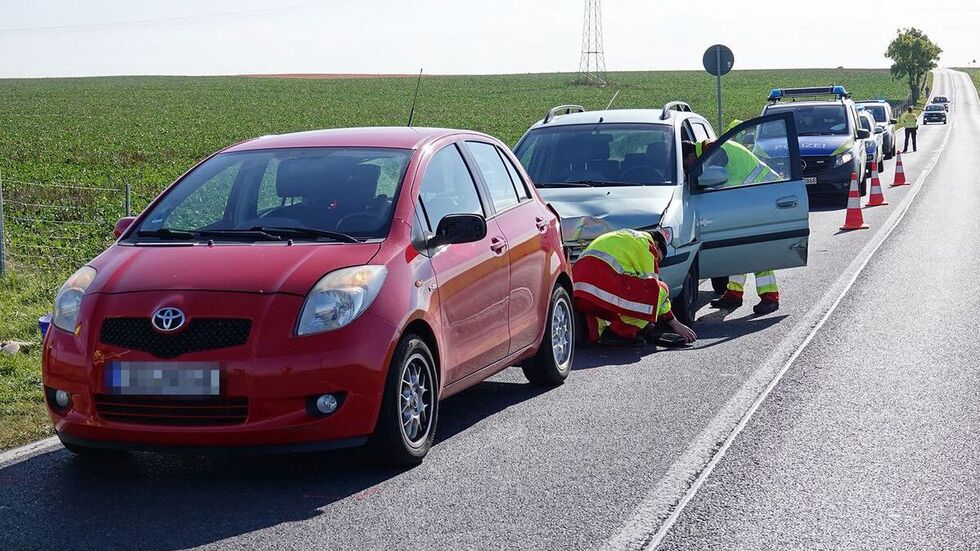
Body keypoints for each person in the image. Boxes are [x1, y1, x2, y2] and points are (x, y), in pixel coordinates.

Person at [681, 139, 781, 315]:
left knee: (755, 250)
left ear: (690, 155)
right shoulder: (710, 148)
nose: (688, 168)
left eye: (686, 163)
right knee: (739, 249)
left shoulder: (711, 149)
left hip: (762, 197)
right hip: (753, 197)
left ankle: (770, 297)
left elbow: (715, 176)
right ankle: (734, 293)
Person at [572, 228, 697, 347]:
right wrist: (675, 324)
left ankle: (588, 326)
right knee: (661, 288)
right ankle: (619, 333)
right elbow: (654, 292)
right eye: (658, 258)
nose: (657, 262)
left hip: (579, 291)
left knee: (616, 305)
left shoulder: (624, 237)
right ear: (656, 245)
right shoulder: (648, 245)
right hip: (600, 284)